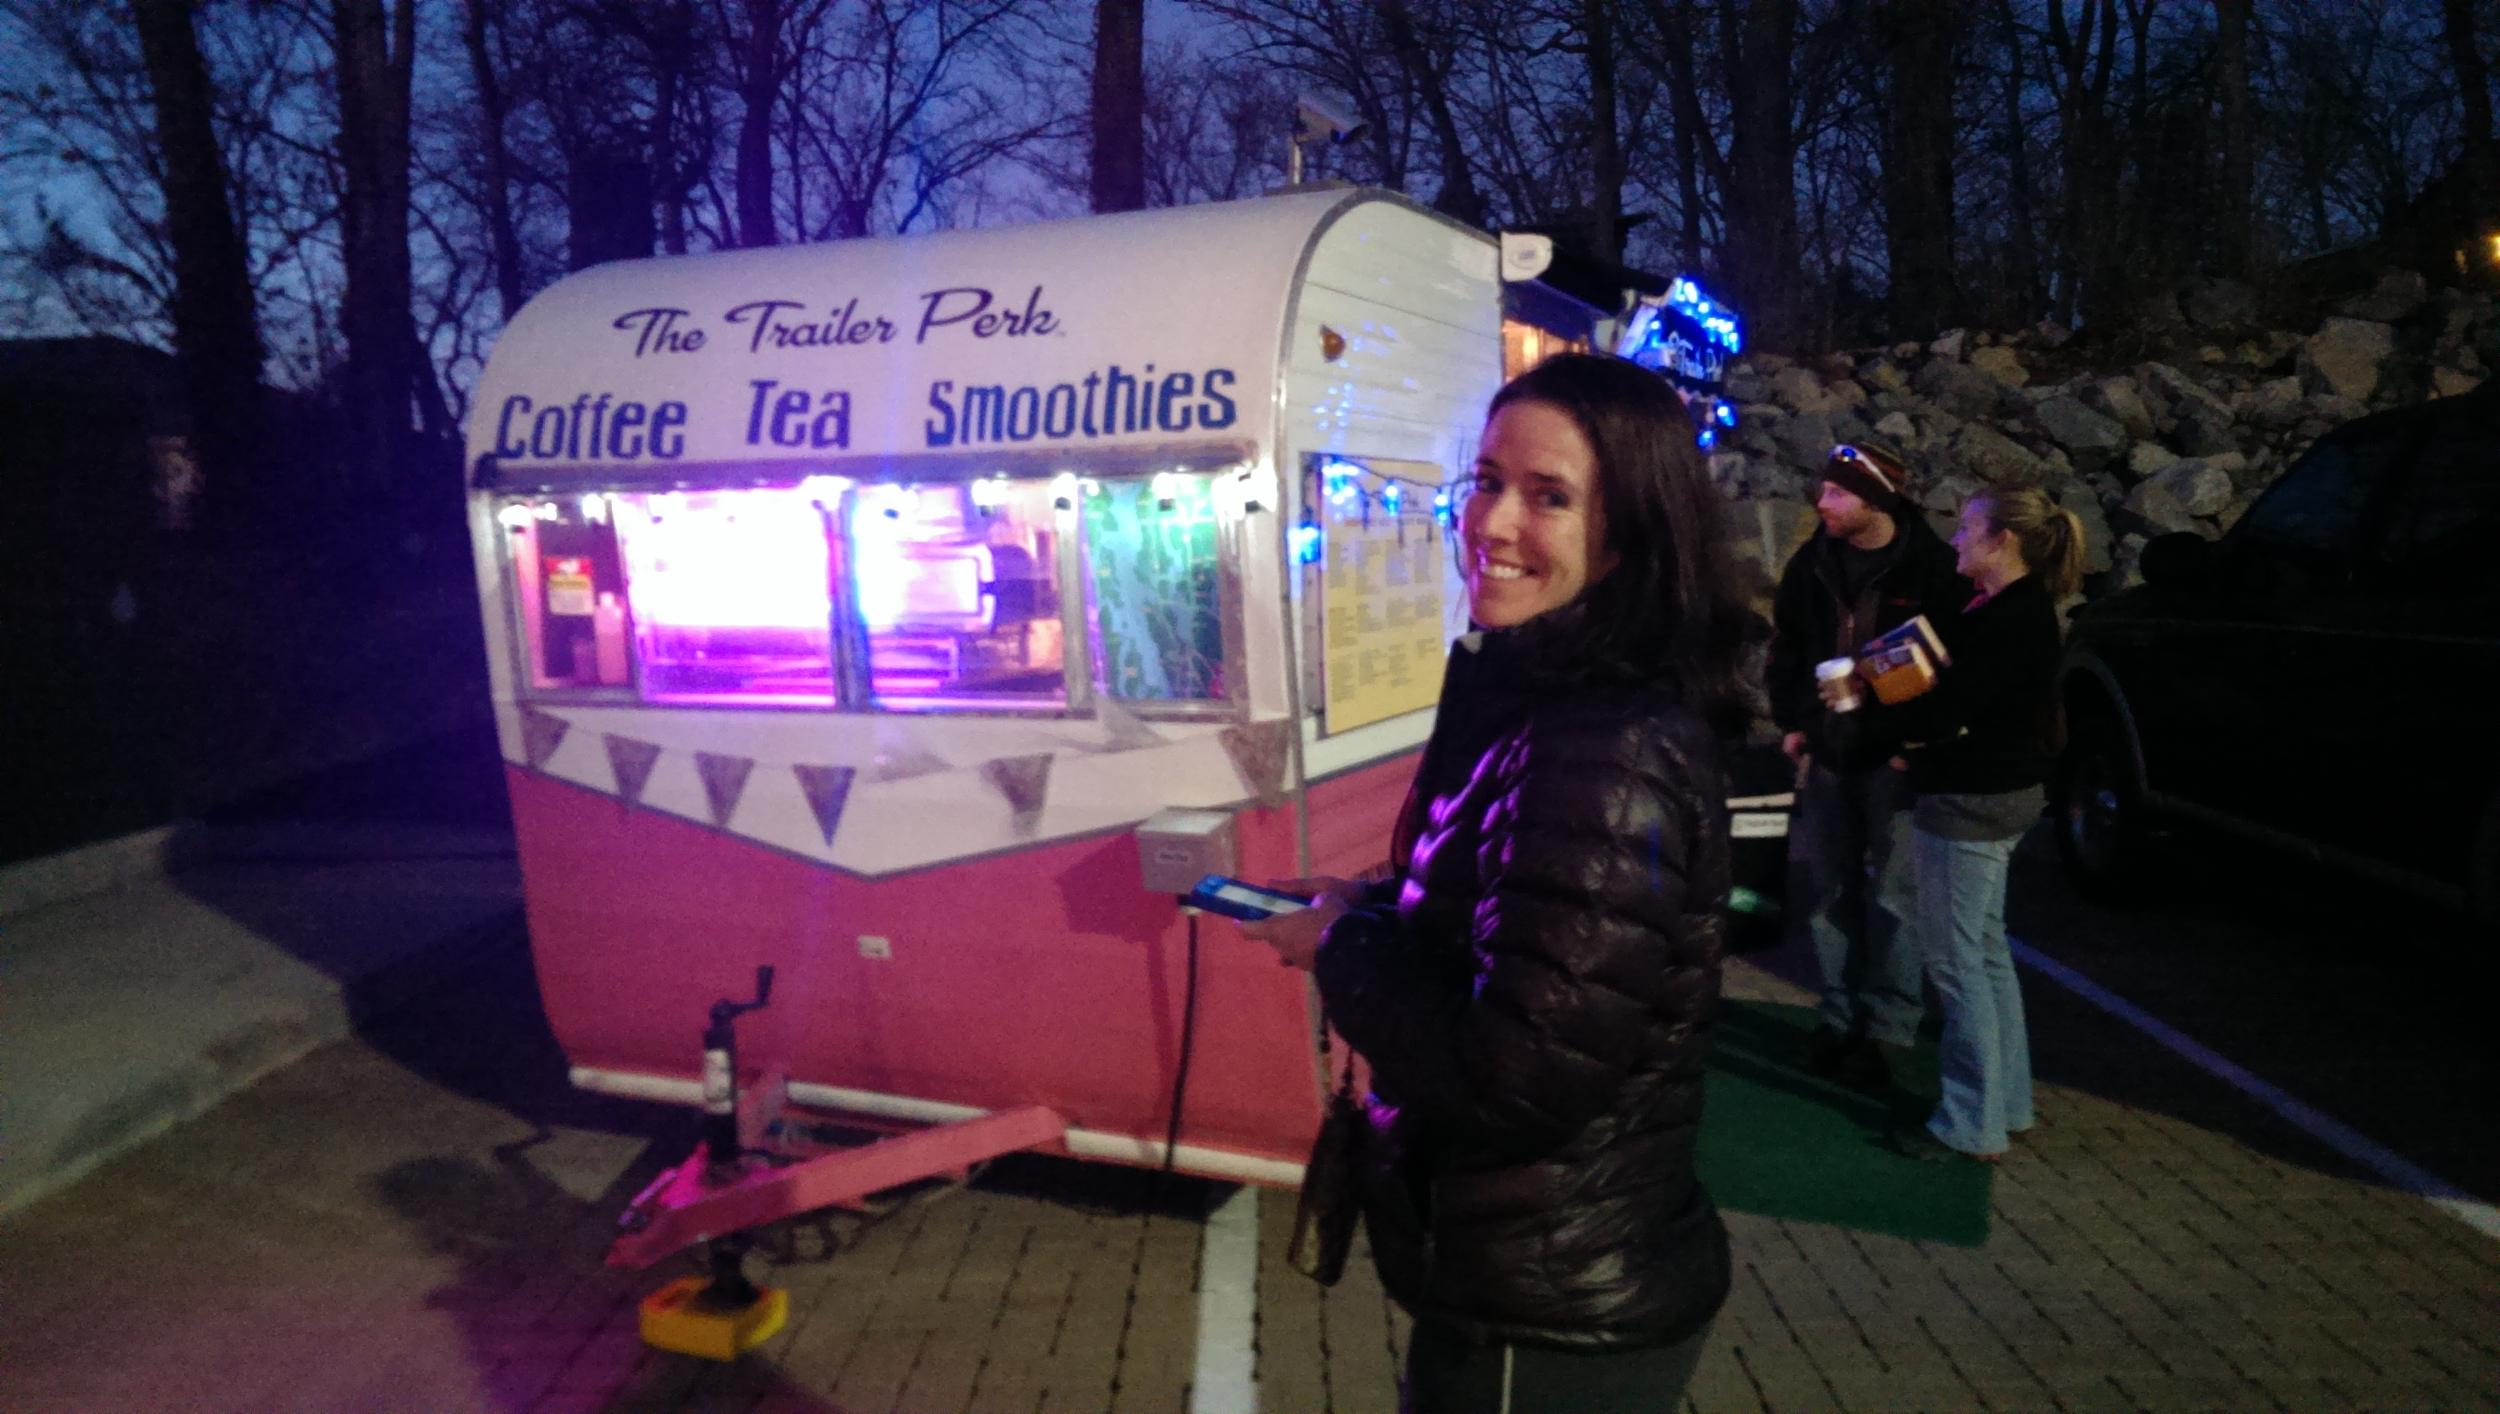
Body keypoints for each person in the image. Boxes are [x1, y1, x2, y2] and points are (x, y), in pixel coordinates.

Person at [1244, 353, 1753, 1411]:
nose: (1493, 521)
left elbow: (1513, 1079)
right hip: (1532, 1272)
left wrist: (1340, 952)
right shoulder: (1542, 691)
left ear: (1627, 535)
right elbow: (1519, 925)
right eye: (1485, 480)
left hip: (1551, 1308)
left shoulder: (1606, 747)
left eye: (1549, 496)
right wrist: (1364, 906)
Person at [1820, 484, 2083, 1162]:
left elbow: (1948, 712)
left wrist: (1868, 713)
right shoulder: (2007, 609)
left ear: (2004, 541)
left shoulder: (2010, 618)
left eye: (1968, 528)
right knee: (1986, 955)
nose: (1957, 539)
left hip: (1971, 801)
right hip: (2000, 795)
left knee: (1958, 964)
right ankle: (2009, 1102)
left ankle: (1970, 1124)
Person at [1765, 441, 1963, 1088]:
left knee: (1896, 897)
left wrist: (1916, 738)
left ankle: (1890, 1031)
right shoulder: (1814, 562)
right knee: (1830, 891)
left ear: (1876, 498)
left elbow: (1953, 663)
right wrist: (1795, 720)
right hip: (1830, 749)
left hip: (1895, 757)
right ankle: (1838, 1016)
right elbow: (1788, 645)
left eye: (1837, 492)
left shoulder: (1932, 567)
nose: (1822, 502)